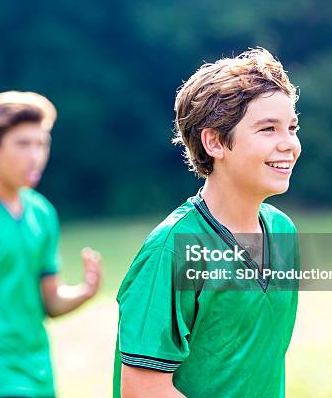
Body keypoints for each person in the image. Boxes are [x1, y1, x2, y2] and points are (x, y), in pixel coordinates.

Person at [113, 48, 301, 397]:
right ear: (214, 141)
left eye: (291, 127)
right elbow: (142, 390)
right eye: (268, 129)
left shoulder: (282, 231)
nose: (289, 144)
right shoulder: (173, 248)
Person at [0, 91, 102, 398]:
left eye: (42, 144)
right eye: (23, 144)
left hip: (41, 377)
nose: (36, 155)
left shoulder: (42, 212)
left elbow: (50, 301)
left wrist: (84, 292)